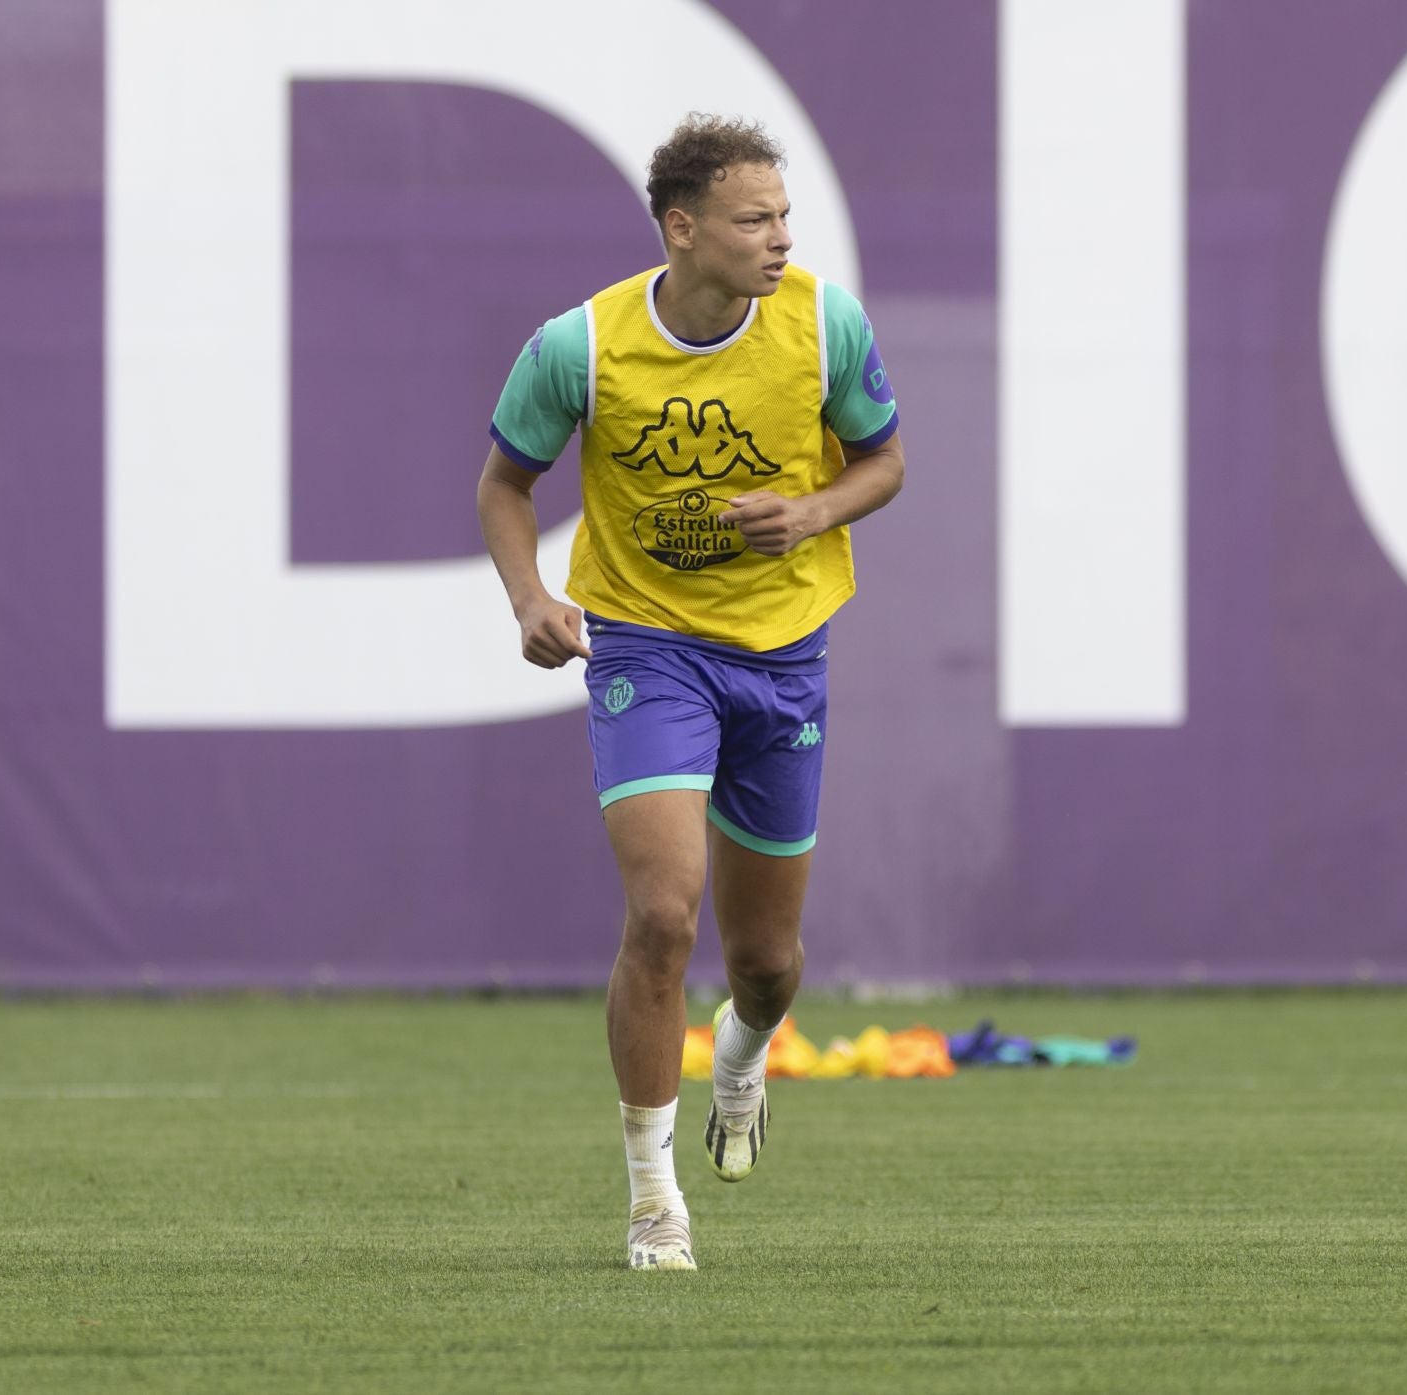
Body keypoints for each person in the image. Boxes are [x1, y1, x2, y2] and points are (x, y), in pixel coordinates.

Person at [475, 114, 904, 1272]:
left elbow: (885, 460)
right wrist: (528, 599)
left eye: (784, 218)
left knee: (768, 963)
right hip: (648, 648)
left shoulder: (823, 324)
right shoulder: (581, 345)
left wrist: (810, 513)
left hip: (782, 657)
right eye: (753, 219)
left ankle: (747, 1052)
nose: (779, 240)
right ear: (683, 227)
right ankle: (654, 1200)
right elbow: (506, 484)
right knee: (664, 914)